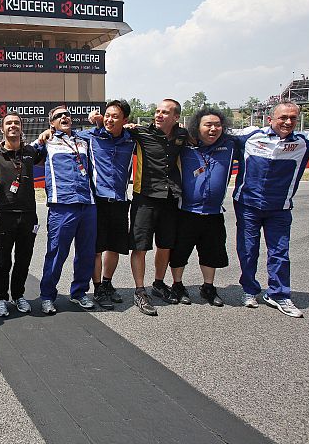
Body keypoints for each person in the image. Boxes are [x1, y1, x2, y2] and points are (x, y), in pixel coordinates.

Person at [230, 102, 309, 317]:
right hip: (247, 205)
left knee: (280, 253)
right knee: (248, 251)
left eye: (293, 118)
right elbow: (213, 130)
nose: (288, 122)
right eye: (283, 117)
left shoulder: (304, 141)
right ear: (270, 119)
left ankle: (278, 294)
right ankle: (249, 290)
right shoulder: (249, 136)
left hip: (280, 208)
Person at [168, 107, 237, 307]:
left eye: (217, 125)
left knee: (211, 252)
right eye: (208, 125)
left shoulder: (230, 145)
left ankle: (208, 287)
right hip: (186, 212)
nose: (213, 129)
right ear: (197, 127)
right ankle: (177, 285)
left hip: (214, 213)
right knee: (180, 252)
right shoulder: (184, 146)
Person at [126, 99, 188, 316]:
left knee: (165, 245)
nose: (159, 115)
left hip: (171, 198)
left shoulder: (182, 136)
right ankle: (140, 291)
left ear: (176, 117)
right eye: (157, 111)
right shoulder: (140, 132)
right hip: (145, 197)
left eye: (165, 112)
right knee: (140, 246)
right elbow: (112, 130)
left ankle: (159, 284)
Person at [32, 105, 97, 314]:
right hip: (62, 204)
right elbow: (24, 151)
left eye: (67, 114)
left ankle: (79, 293)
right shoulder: (47, 140)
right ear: (51, 123)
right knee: (57, 253)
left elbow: (105, 132)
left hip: (87, 202)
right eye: (58, 116)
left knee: (86, 252)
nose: (64, 117)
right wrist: (41, 137)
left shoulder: (83, 139)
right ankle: (47, 296)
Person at [0, 111, 43, 317]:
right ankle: (1, 298)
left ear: (21, 127)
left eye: (16, 122)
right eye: (9, 123)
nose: (13, 125)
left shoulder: (31, 152)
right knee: (3, 260)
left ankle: (18, 295)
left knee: (23, 259)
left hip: (29, 215)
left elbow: (49, 146)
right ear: (2, 129)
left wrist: (46, 134)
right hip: (4, 215)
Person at [79, 100, 136, 309]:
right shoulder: (91, 136)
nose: (110, 119)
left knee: (114, 247)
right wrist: (47, 133)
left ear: (125, 120)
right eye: (108, 115)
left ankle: (107, 283)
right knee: (97, 248)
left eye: (115, 116)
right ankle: (97, 288)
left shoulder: (132, 139)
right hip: (98, 202)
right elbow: (65, 134)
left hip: (120, 201)